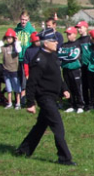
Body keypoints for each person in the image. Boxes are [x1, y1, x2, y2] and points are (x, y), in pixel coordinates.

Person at [14, 28, 75, 166]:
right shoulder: (39, 60)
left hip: (53, 97)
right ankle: (64, 158)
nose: (56, 42)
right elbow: (32, 83)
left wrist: (64, 89)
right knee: (58, 127)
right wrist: (30, 103)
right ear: (45, 43)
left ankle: (23, 151)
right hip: (45, 98)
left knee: (40, 126)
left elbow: (56, 77)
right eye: (53, 40)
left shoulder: (53, 56)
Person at [59, 26, 84, 113]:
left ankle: (80, 104)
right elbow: (59, 55)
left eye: (70, 34)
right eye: (67, 34)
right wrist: (67, 55)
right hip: (66, 69)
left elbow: (74, 56)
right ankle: (71, 104)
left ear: (74, 34)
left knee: (77, 87)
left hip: (75, 69)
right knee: (69, 87)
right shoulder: (64, 45)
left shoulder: (77, 44)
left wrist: (66, 55)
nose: (68, 36)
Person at [14, 11, 36, 105]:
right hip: (17, 57)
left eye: (25, 20)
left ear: (28, 20)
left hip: (27, 57)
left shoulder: (31, 30)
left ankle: (24, 97)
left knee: (25, 78)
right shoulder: (17, 29)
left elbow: (34, 43)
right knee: (17, 77)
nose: (23, 22)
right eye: (22, 19)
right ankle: (18, 97)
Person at [0, 28, 23, 110]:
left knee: (16, 88)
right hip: (6, 70)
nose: (8, 40)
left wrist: (17, 41)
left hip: (14, 70)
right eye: (7, 38)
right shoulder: (4, 47)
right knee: (9, 89)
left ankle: (18, 103)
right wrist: (2, 39)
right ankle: (9, 103)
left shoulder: (15, 47)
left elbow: (19, 50)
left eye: (10, 38)